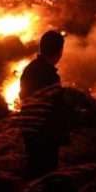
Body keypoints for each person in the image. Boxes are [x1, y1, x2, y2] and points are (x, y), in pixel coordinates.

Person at [18, 30, 67, 178]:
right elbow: (53, 106)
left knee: (33, 173)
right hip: (44, 134)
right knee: (45, 174)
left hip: (30, 131)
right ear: (59, 51)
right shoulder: (47, 74)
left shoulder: (30, 69)